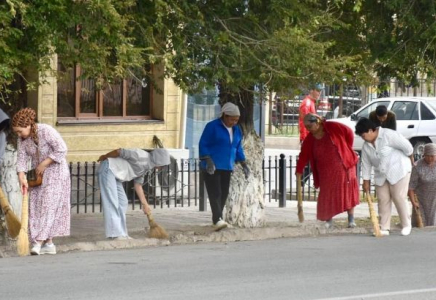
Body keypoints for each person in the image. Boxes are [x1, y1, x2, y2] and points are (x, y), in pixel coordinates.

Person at [13, 108, 71, 255]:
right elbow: (21, 158)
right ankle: (49, 244)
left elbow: (62, 149)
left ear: (28, 125)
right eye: (16, 132)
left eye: (20, 131)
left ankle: (38, 242)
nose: (18, 135)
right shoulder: (22, 139)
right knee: (35, 206)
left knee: (48, 205)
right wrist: (21, 176)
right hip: (37, 176)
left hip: (55, 172)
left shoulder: (46, 131)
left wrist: (44, 163)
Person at [296, 113, 360, 228]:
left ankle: (351, 219)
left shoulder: (333, 127)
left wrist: (346, 148)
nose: (308, 130)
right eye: (306, 127)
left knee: (346, 191)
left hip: (343, 166)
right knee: (326, 193)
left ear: (317, 122)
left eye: (310, 126)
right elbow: (303, 156)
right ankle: (328, 219)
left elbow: (349, 133)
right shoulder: (309, 139)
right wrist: (299, 170)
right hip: (325, 171)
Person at [355, 117, 414, 236]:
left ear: (371, 130)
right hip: (381, 174)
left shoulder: (389, 135)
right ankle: (384, 227)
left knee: (399, 197)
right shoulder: (366, 146)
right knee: (383, 199)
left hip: (399, 170)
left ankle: (406, 224)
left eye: (363, 135)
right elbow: (366, 164)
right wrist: (365, 180)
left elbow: (408, 148)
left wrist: (410, 159)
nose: (363, 138)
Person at [97, 148, 170, 239]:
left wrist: (145, 205)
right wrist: (104, 156)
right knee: (112, 202)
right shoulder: (140, 157)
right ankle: (114, 235)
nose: (162, 168)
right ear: (159, 159)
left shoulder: (147, 166)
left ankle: (122, 233)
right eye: (163, 165)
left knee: (123, 202)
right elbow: (119, 151)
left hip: (116, 176)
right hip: (108, 169)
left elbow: (138, 185)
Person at [199, 102, 250, 231]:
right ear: (225, 116)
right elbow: (203, 144)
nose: (234, 122)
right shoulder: (212, 127)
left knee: (223, 193)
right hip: (212, 166)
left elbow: (237, 148)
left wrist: (243, 163)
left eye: (236, 120)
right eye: (232, 119)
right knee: (215, 192)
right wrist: (208, 160)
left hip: (227, 166)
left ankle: (218, 219)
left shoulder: (236, 130)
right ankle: (217, 219)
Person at [298, 83, 323, 186]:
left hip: (311, 137)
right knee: (312, 162)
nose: (319, 93)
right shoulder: (307, 103)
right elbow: (306, 122)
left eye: (320, 91)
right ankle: (302, 182)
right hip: (308, 137)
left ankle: (304, 182)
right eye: (317, 90)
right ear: (312, 90)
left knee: (313, 162)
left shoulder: (310, 103)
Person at [408, 143, 436, 226]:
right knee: (421, 225)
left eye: (433, 156)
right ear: (424, 155)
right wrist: (413, 202)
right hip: (422, 200)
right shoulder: (417, 167)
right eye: (428, 156)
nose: (430, 158)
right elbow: (411, 187)